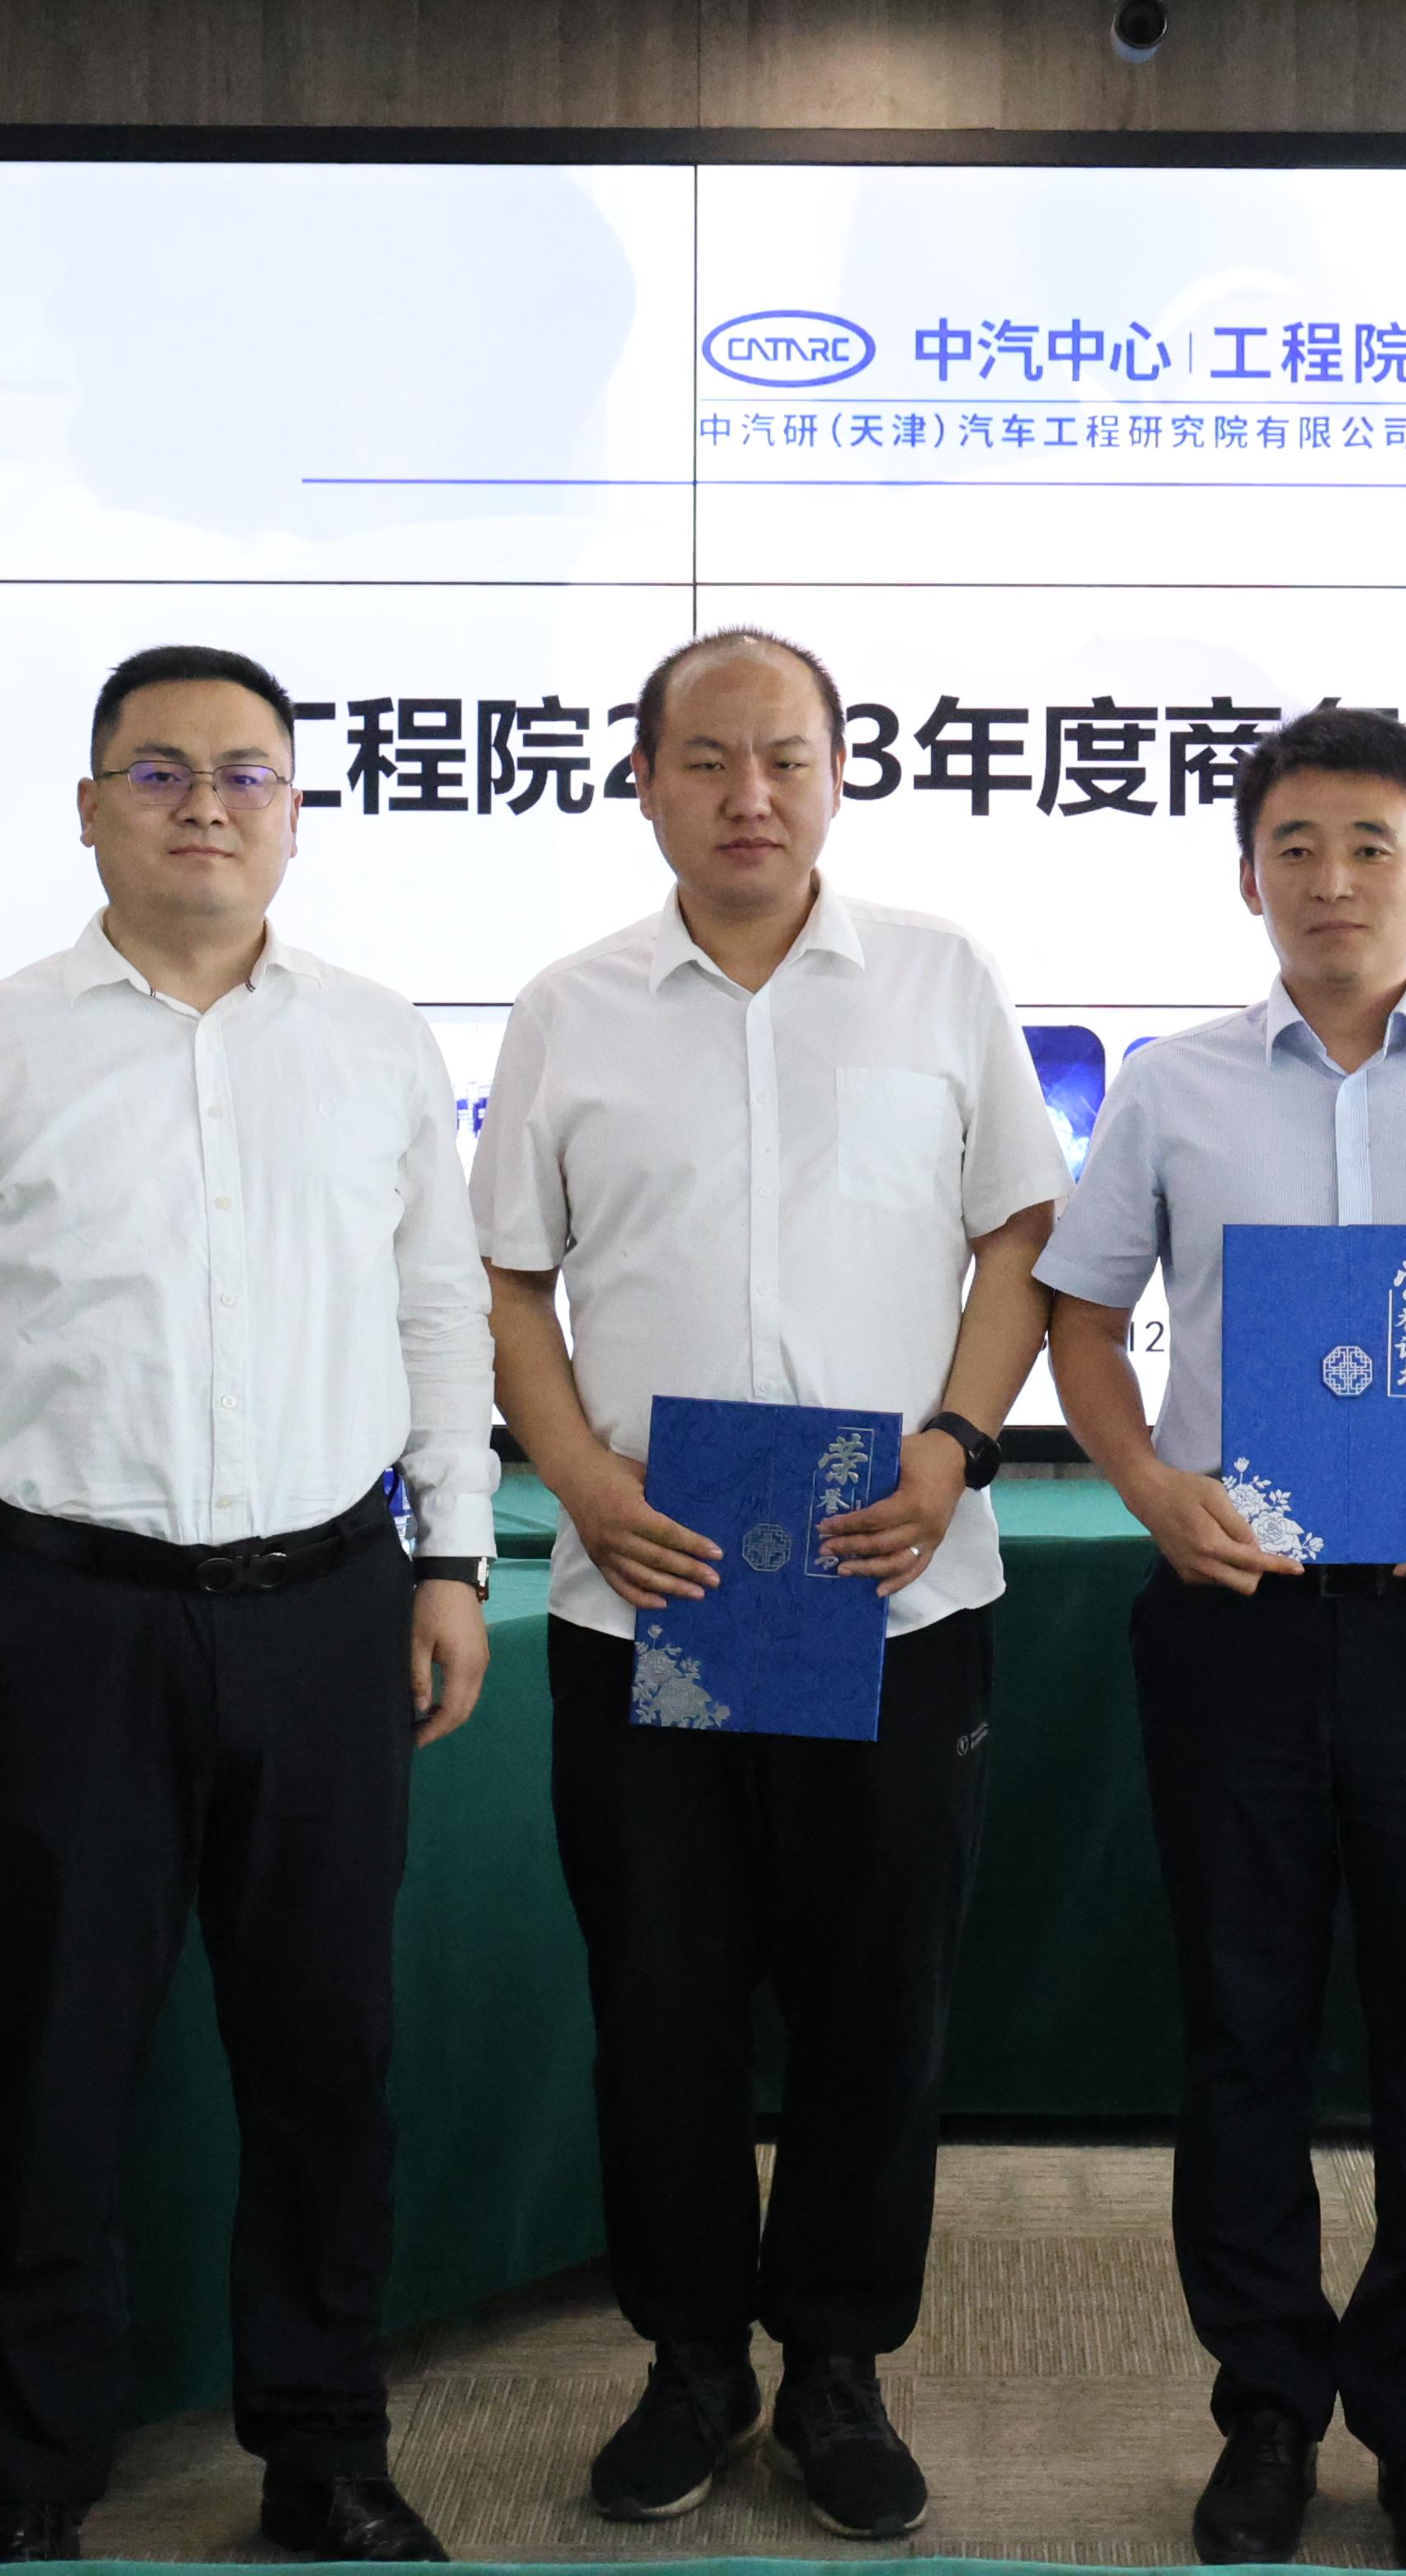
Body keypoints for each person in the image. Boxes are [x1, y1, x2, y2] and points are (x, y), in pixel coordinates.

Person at [0, 643, 501, 2569]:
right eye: (158, 770)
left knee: (327, 2060)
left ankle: (327, 2447)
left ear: (295, 812)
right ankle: (30, 2479)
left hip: (328, 1604)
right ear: (86, 808)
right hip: (71, 1617)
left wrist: (453, 1552)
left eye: (245, 772)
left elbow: (439, 1314)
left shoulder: (376, 1041)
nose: (204, 802)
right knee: (54, 2063)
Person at [475, 625, 1066, 2541]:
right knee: (660, 1996)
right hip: (648, 1586)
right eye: (709, 758)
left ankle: (833, 2362)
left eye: (786, 756)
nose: (750, 793)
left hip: (891, 1583)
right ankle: (690, 2358)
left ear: (837, 774)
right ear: (644, 778)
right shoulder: (570, 1005)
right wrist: (578, 1478)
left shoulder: (938, 977)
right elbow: (508, 1277)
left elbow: (1022, 1231)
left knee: (874, 1999)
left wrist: (956, 1440)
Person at [1038, 706, 1406, 2574]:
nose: (1334, 879)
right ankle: (1270, 2407)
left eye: (1373, 844)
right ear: (1247, 879)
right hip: (1237, 1619)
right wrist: (1151, 1485)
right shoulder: (1171, 1088)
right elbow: (1079, 1318)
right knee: (1244, 2028)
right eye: (1295, 845)